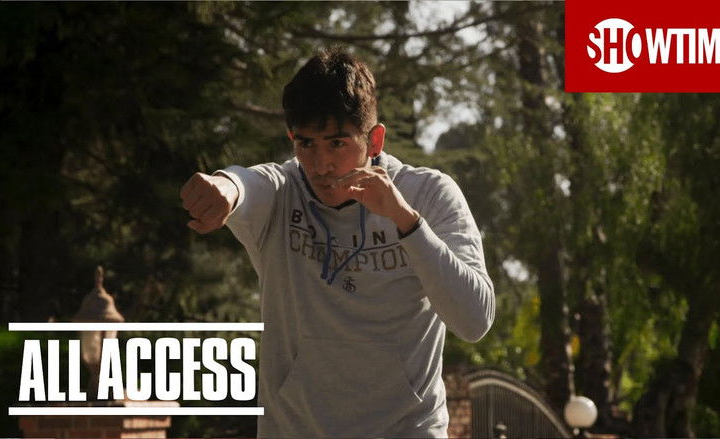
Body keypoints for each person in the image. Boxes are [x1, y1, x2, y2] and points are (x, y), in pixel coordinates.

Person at [180, 48, 495, 438]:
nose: (320, 165)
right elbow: (247, 182)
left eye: (337, 144)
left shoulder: (429, 194)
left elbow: (475, 320)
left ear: (374, 140)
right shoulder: (283, 192)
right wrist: (224, 188)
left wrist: (406, 222)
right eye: (306, 144)